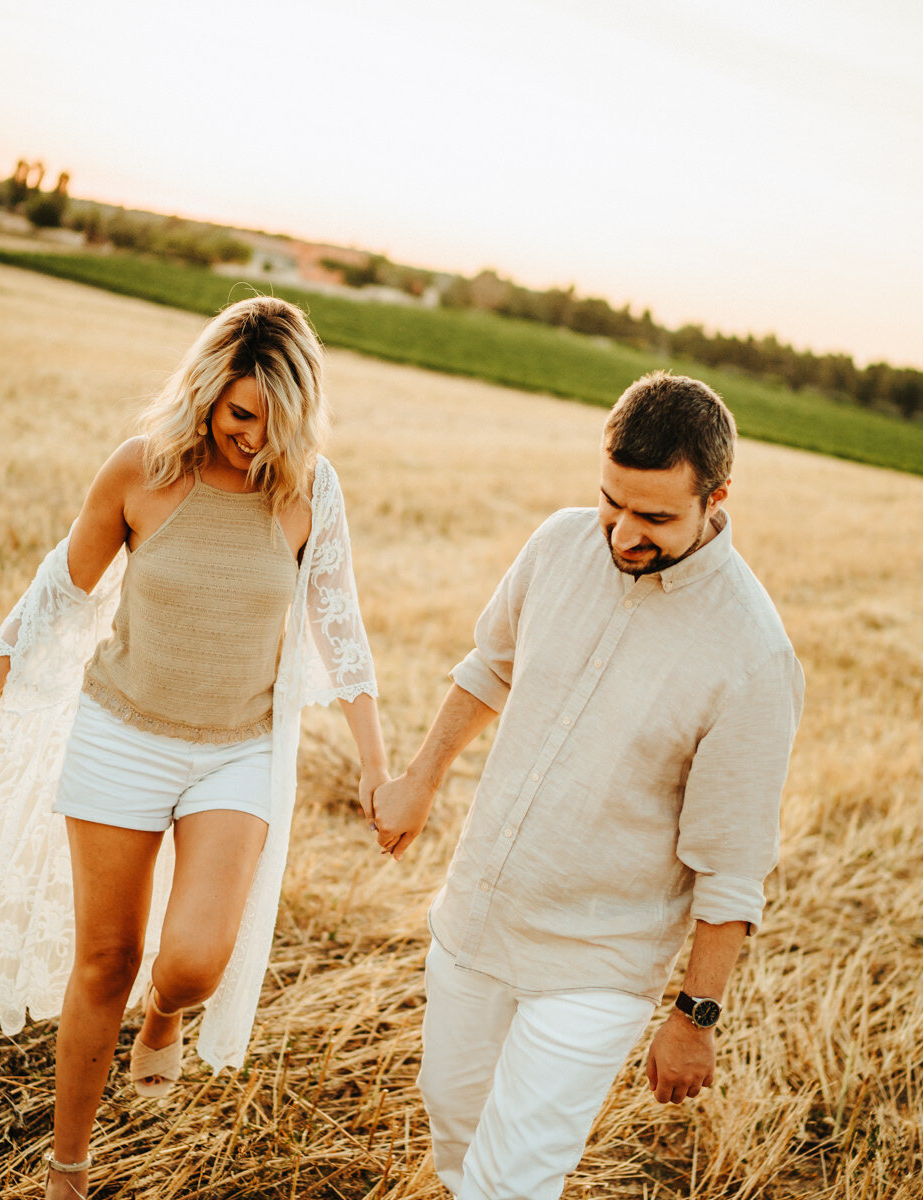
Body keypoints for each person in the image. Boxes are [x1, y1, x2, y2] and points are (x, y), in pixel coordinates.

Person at [0, 296, 388, 1200]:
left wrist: (380, 768)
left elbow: (339, 632)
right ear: (206, 394)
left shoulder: (312, 491)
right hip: (120, 737)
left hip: (236, 754)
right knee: (104, 960)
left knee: (191, 960)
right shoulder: (141, 472)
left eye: (277, 421)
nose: (256, 441)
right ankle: (67, 1169)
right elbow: (61, 592)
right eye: (240, 416)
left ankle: (167, 1015)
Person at [371, 371, 804, 1200]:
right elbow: (490, 665)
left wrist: (694, 1017)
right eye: (613, 502)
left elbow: (732, 864)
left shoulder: (754, 656)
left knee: (512, 1179)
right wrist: (423, 777)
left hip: (596, 965)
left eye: (655, 517)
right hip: (480, 912)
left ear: (716, 499)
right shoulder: (559, 543)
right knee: (455, 1127)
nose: (623, 533)